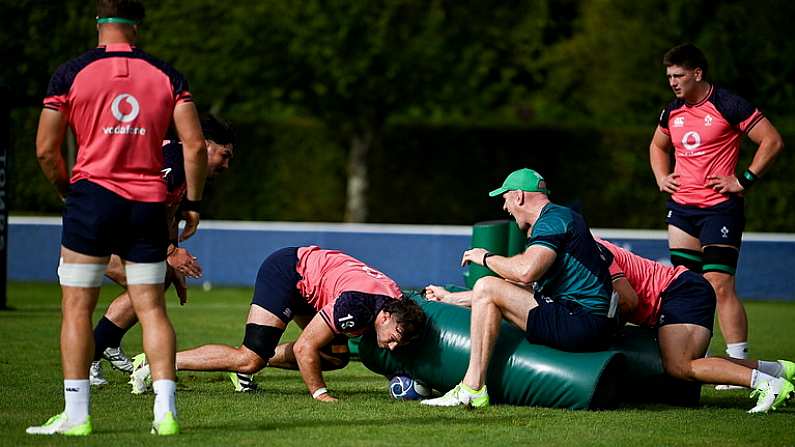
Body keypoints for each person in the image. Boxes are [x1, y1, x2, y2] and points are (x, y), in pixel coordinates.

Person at [27, 0, 207, 436]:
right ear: (137, 27)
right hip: (147, 202)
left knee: (76, 308)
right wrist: (193, 203)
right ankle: (165, 414)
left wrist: (66, 191)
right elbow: (196, 146)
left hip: (92, 198)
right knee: (152, 309)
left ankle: (77, 415)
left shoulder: (71, 73)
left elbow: (45, 149)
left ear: (98, 23)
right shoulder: (167, 75)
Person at [421, 168, 614, 408]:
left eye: (505, 199)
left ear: (519, 196)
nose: (505, 208)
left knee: (488, 284)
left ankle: (471, 388)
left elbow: (525, 271)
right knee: (496, 288)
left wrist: (486, 257)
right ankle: (473, 389)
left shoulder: (553, 219)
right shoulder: (560, 218)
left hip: (582, 321)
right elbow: (518, 287)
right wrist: (450, 298)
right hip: (583, 319)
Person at [129, 246, 427, 402]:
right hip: (288, 273)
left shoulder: (396, 300)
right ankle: (157, 363)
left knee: (336, 357)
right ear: (385, 317)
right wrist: (320, 394)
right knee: (249, 359)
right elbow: (305, 348)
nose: (393, 345)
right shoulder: (356, 306)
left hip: (313, 283)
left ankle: (248, 364)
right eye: (394, 338)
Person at [649, 43, 784, 364]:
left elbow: (772, 140)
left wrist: (744, 180)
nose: (673, 82)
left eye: (679, 75)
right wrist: (661, 177)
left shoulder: (728, 104)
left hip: (719, 209)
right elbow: (657, 145)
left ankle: (737, 361)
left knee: (720, 285)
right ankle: (701, 357)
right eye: (669, 76)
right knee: (688, 284)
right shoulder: (672, 111)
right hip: (681, 210)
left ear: (698, 73)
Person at [90, 115, 235, 386]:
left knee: (156, 278)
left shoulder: (186, 167)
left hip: (117, 225)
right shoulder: (174, 164)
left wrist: (174, 258)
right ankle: (94, 352)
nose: (226, 165)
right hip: (99, 226)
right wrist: (169, 253)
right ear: (204, 144)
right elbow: (140, 211)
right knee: (149, 282)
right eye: (223, 155)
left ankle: (103, 344)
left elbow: (168, 215)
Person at [595, 238, 794, 413]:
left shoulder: (594, 249)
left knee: (679, 365)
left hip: (679, 292)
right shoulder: (589, 246)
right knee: (690, 362)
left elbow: (629, 301)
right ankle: (779, 371)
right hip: (677, 292)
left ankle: (769, 385)